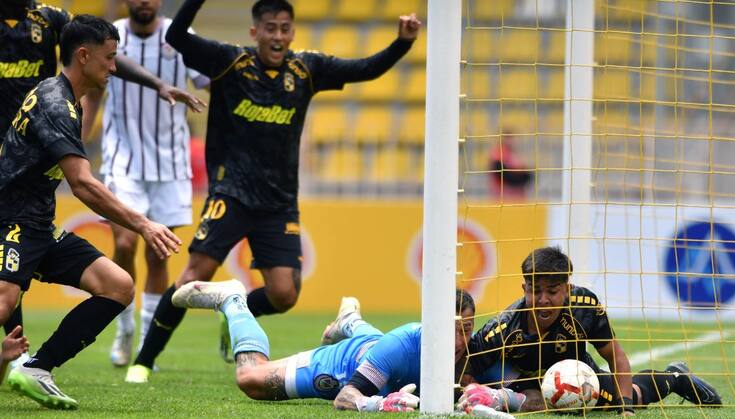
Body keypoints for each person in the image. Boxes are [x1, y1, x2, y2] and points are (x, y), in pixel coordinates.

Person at [125, 0, 422, 383]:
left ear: (292, 32)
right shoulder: (229, 61)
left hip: (278, 204)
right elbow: (176, 36)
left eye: (284, 28)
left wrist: (402, 42)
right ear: (255, 32)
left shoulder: (307, 69)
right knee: (193, 276)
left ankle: (236, 310)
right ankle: (143, 362)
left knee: (284, 294)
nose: (278, 36)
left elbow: (365, 69)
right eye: (270, 28)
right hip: (230, 194)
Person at [0, 0, 205, 382]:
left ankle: (36, 368)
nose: (114, 67)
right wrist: (143, 224)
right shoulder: (56, 105)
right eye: (109, 58)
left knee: (118, 285)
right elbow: (82, 184)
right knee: (5, 302)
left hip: (38, 224)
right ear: (83, 56)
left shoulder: (66, 98)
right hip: (10, 220)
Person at [86, 0, 210, 368]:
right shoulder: (112, 36)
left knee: (158, 253)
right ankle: (124, 327)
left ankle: (144, 344)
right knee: (125, 243)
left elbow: (210, 81)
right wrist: (77, 139)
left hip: (171, 162)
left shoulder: (181, 35)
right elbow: (94, 91)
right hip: (123, 157)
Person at [458, 246, 723, 415]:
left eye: (552, 292)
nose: (543, 300)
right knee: (533, 402)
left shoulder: (584, 307)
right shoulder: (503, 329)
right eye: (535, 291)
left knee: (633, 395)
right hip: (527, 382)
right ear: (524, 289)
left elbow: (615, 356)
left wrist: (626, 409)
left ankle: (676, 377)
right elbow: (466, 372)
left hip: (580, 374)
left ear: (567, 290)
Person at [170, 279, 489, 412]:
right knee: (250, 379)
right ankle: (233, 300)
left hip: (376, 350)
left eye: (466, 330)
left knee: (377, 346)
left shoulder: (474, 350)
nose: (458, 341)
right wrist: (379, 404)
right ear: (431, 325)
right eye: (450, 330)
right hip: (345, 366)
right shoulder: (400, 345)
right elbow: (345, 398)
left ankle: (349, 320)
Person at [487, 134, 534, 200]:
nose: (511, 141)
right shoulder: (498, 153)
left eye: (511, 138)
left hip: (517, 195)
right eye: (508, 138)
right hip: (503, 195)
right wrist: (520, 174)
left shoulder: (513, 153)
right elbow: (500, 171)